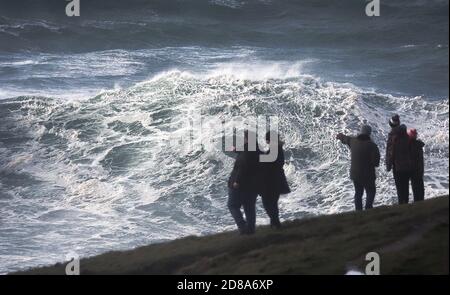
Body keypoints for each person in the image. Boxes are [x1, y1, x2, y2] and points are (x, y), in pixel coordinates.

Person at [336, 125, 380, 211]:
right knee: (371, 191)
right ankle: (368, 209)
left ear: (361, 132)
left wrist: (340, 136)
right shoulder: (373, 146)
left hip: (355, 174)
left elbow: (345, 139)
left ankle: (358, 212)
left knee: (358, 193)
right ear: (369, 134)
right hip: (368, 175)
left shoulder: (353, 141)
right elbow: (376, 163)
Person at [227, 130, 261, 235]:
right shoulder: (256, 150)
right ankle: (251, 230)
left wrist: (237, 181)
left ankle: (243, 228)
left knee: (232, 205)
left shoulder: (247, 152)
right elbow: (243, 151)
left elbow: (243, 166)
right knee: (249, 207)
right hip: (253, 186)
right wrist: (235, 149)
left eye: (245, 138)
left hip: (241, 185)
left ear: (246, 139)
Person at [260, 131, 290, 229]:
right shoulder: (277, 148)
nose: (266, 141)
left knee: (267, 203)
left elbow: (269, 160)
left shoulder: (275, 149)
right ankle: (275, 223)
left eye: (267, 139)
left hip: (271, 180)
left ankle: (275, 223)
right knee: (272, 203)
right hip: (277, 179)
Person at [389, 124, 413, 204]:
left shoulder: (395, 140)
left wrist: (390, 164)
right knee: (406, 186)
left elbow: (392, 154)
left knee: (399, 187)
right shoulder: (408, 139)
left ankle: (401, 202)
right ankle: (406, 202)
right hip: (407, 167)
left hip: (398, 167)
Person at [408, 128, 425, 202]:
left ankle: (417, 201)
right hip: (420, 169)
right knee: (420, 187)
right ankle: (421, 201)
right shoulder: (419, 144)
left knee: (415, 187)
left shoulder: (409, 145)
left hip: (413, 169)